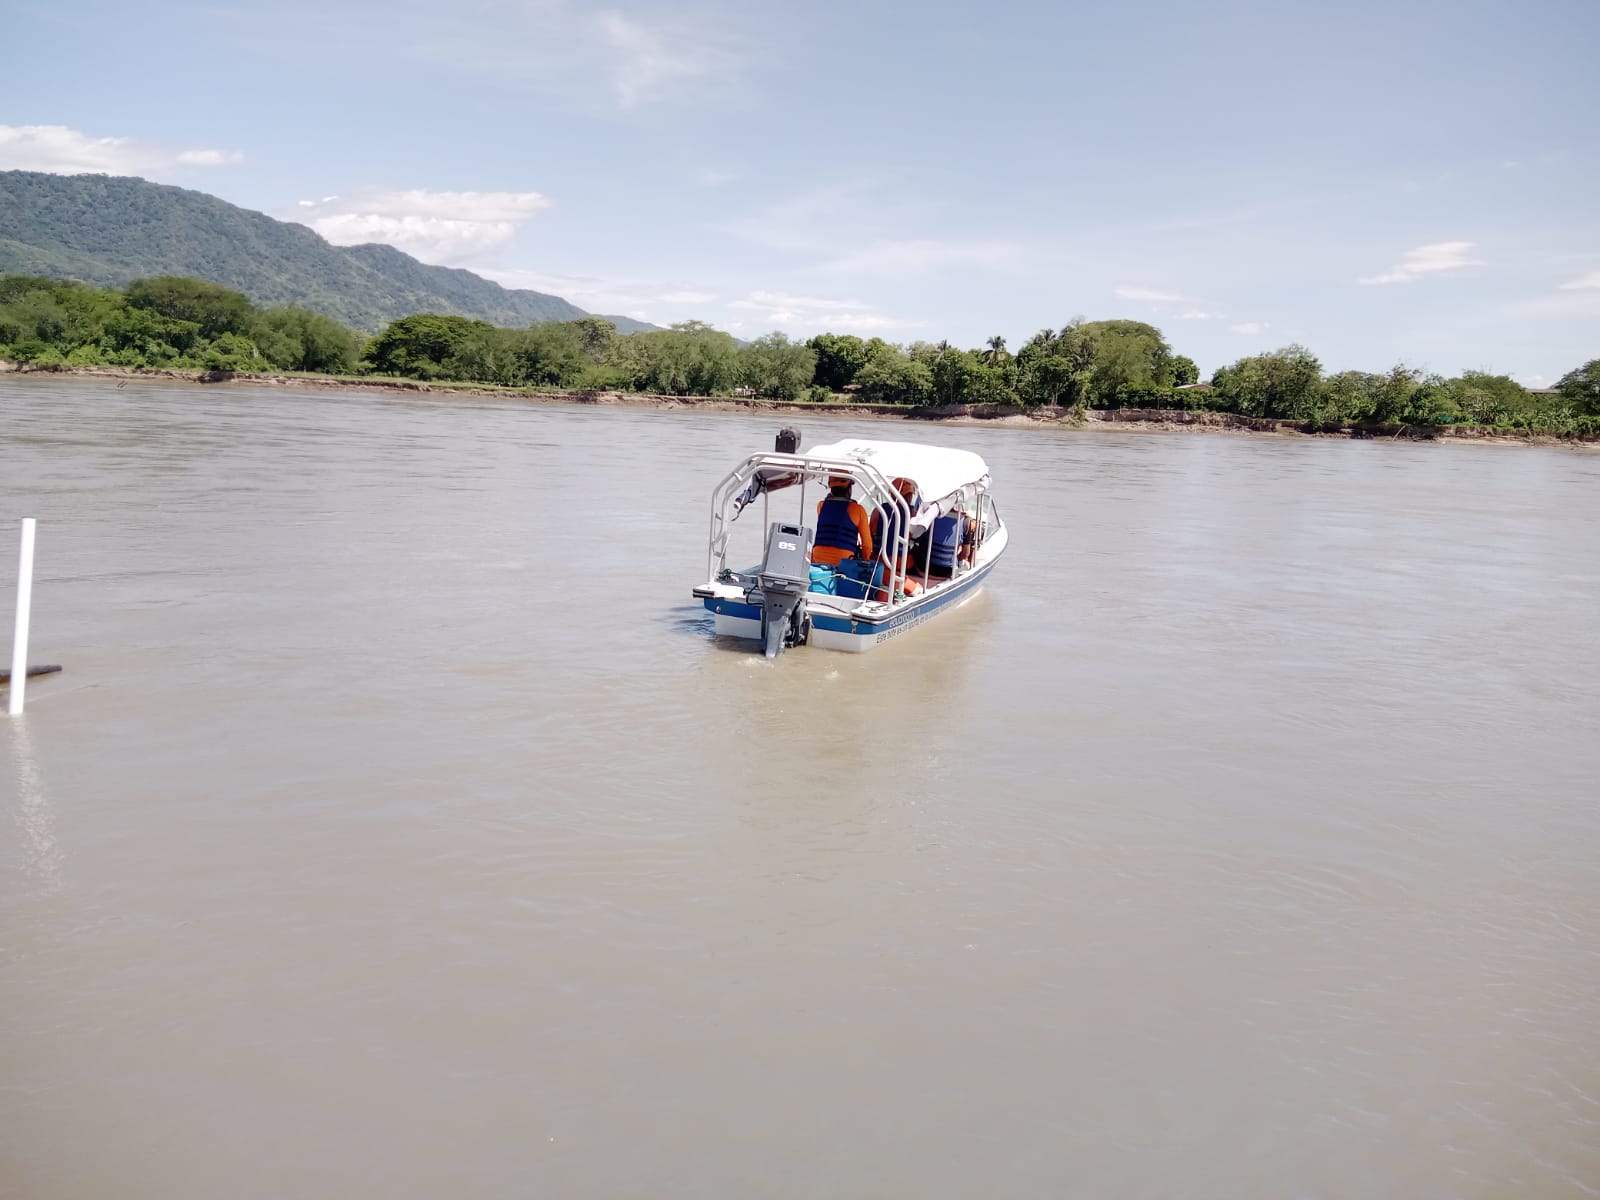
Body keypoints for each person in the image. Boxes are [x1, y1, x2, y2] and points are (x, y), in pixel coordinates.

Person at [731, 426, 803, 517]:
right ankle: (743, 498)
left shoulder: (762, 458)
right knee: (756, 481)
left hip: (760, 474)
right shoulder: (799, 461)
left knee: (755, 481)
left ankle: (743, 499)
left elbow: (751, 463)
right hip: (762, 475)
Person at [871, 476, 923, 596]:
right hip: (901, 567)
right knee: (918, 589)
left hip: (878, 563)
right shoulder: (913, 515)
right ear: (908, 496)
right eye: (910, 495)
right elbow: (917, 538)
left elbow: (871, 534)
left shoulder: (877, 511)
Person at [810, 474, 874, 569]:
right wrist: (865, 560)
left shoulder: (821, 505)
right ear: (849, 489)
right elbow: (867, 544)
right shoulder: (858, 509)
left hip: (818, 557)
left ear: (831, 488)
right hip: (844, 559)